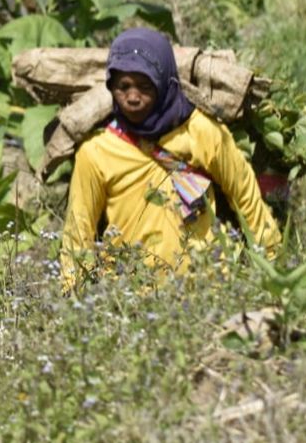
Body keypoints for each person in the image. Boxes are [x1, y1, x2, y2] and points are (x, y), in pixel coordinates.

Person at [60, 27, 281, 287]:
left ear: (165, 83)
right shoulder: (96, 151)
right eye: (123, 87)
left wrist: (274, 268)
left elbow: (246, 197)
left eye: (144, 86)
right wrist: (72, 293)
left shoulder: (203, 132)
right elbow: (79, 229)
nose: (132, 97)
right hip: (130, 294)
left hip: (208, 288)